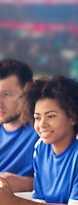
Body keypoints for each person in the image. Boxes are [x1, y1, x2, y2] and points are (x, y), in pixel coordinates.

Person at [0, 76, 78, 205]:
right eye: (37, 117)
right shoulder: (40, 147)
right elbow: (39, 201)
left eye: (51, 116)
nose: (42, 124)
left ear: (73, 117)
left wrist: (15, 201)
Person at [0, 59, 39, 192]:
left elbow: (62, 181)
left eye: (6, 95)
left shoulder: (43, 130)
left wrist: (25, 184)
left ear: (27, 91)